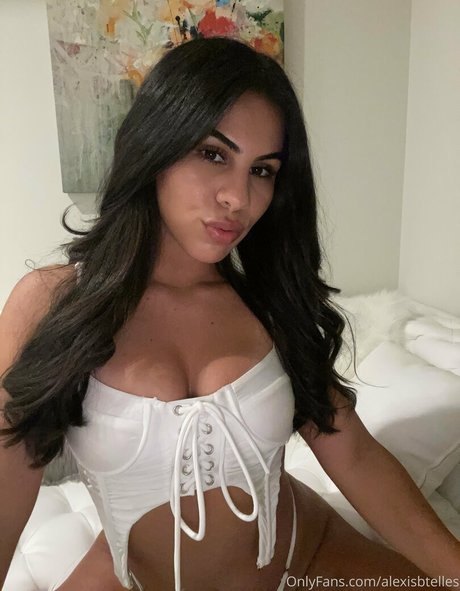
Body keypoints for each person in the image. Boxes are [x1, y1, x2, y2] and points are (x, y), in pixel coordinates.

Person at [0, 37, 459, 591]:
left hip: (304, 556)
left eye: (262, 170)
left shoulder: (269, 301)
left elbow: (354, 454)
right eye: (214, 154)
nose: (238, 198)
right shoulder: (53, 304)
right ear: (156, 147)